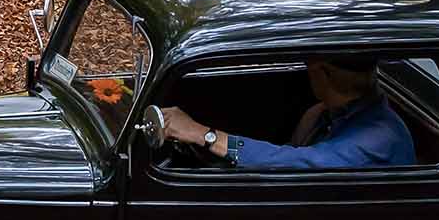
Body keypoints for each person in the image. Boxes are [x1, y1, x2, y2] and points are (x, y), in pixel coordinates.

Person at [155, 56, 415, 170]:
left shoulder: (377, 141)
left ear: (323, 73)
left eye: (309, 66)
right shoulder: (332, 114)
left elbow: (292, 164)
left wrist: (205, 136)